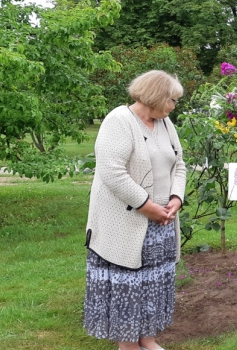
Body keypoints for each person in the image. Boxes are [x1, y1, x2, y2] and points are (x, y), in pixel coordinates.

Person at [83, 70, 187, 350]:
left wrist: (176, 197)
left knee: (154, 283)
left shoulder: (165, 124)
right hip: (126, 223)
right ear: (155, 96)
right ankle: (128, 345)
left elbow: (179, 164)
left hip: (162, 222)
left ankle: (148, 340)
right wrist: (147, 206)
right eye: (172, 100)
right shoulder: (119, 120)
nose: (174, 106)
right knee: (127, 286)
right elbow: (112, 173)